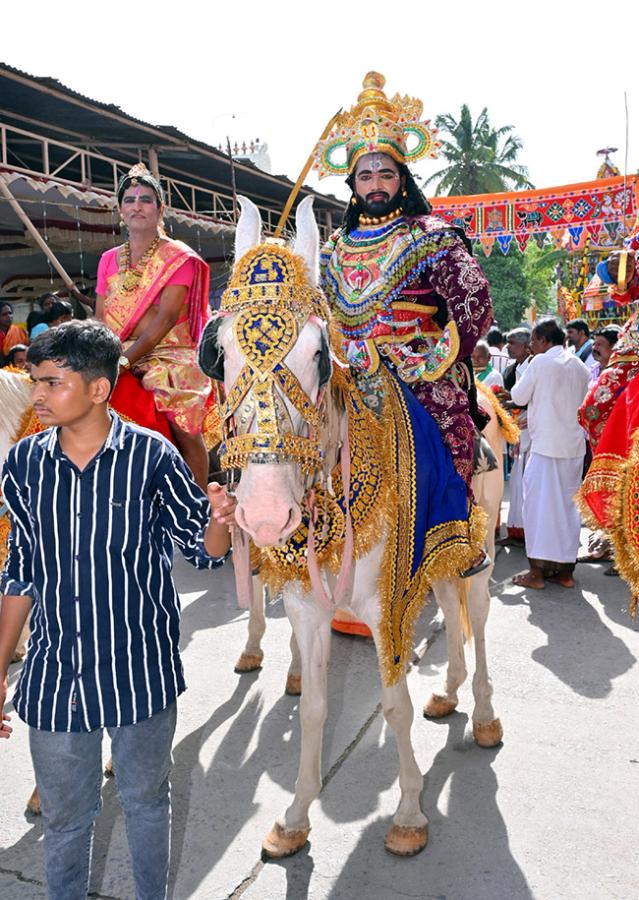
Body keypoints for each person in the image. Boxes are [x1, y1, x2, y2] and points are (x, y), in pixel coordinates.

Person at [0, 321, 235, 900]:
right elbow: (20, 572)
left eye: (52, 384)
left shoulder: (152, 457)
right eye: (36, 382)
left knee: (147, 804)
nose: (37, 396)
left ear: (99, 390)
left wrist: (221, 522)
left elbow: (202, 553)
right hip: (56, 677)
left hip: (140, 670)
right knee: (63, 821)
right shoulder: (23, 465)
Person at [96, 163, 212, 489]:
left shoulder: (178, 257)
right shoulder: (108, 259)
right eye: (130, 200)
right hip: (117, 349)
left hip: (170, 353)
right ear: (120, 209)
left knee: (185, 428)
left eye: (145, 199)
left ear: (160, 209)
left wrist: (124, 362)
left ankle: (197, 506)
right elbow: (101, 317)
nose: (137, 206)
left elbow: (166, 319)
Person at [510, 318, 590, 589]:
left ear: (544, 341)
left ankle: (537, 573)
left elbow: (519, 397)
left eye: (533, 341)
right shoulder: (580, 366)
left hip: (546, 448)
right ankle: (565, 572)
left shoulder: (540, 363)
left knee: (538, 508)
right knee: (567, 509)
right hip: (573, 447)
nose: (531, 347)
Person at [500, 327, 532, 543]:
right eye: (508, 342)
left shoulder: (532, 366)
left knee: (525, 482)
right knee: (518, 482)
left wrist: (507, 400)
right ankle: (516, 530)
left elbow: (527, 399)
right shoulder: (515, 368)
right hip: (518, 429)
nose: (508, 347)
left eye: (512, 343)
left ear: (526, 346)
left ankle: (525, 531)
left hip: (530, 430)